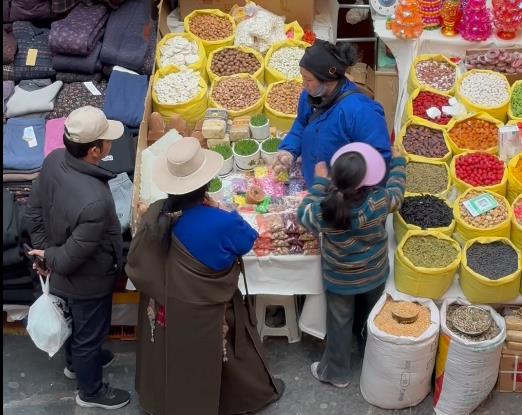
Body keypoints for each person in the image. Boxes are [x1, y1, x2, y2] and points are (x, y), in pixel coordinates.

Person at [125, 136, 284, 415]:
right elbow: (248, 240)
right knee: (235, 331)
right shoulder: (222, 222)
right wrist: (220, 209)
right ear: (207, 185)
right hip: (205, 312)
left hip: (166, 306)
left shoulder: (154, 213)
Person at [24, 106, 130, 409]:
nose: (110, 144)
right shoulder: (94, 200)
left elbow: (33, 213)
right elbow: (71, 259)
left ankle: (76, 362)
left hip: (60, 271)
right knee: (89, 334)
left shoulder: (54, 159)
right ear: (96, 151)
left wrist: (45, 254)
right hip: (87, 280)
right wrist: (52, 256)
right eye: (106, 140)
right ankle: (91, 391)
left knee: (76, 325)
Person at [297, 142, 406, 388]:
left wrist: (318, 183)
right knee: (372, 316)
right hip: (374, 272)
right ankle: (372, 358)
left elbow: (302, 214)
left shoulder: (324, 209)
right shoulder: (379, 201)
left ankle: (336, 373)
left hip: (340, 278)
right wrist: (399, 163)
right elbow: (397, 194)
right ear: (366, 181)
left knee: (339, 323)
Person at [273, 39, 391, 186]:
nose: (303, 84)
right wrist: (288, 151)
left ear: (327, 80)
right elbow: (302, 124)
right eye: (303, 77)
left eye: (308, 79)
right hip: (314, 184)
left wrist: (346, 192)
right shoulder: (310, 95)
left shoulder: (360, 111)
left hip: (340, 196)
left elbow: (379, 159)